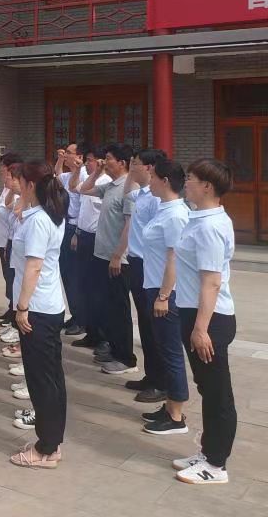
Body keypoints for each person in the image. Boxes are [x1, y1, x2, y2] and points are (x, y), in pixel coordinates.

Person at [172, 158, 236, 485]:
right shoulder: (200, 218)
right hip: (194, 312)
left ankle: (216, 465)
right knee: (207, 387)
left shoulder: (210, 226)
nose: (186, 183)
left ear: (207, 186)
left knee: (217, 392)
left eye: (191, 178)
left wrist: (200, 329)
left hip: (209, 319)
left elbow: (211, 281)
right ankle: (208, 451)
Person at [9, 161, 69, 470]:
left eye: (20, 181)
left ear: (31, 185)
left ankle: (46, 448)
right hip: (49, 306)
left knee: (42, 380)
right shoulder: (49, 215)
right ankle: (51, 442)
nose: (16, 185)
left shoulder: (38, 221)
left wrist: (22, 308)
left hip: (37, 310)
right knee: (51, 377)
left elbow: (33, 266)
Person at [140, 157, 190, 436]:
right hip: (154, 287)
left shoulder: (176, 215)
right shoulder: (164, 209)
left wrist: (164, 295)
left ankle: (176, 416)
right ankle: (170, 405)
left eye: (153, 177)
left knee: (171, 352)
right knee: (163, 349)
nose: (150, 181)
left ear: (165, 181)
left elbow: (175, 258)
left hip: (166, 292)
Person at [80, 143, 139, 375]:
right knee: (106, 306)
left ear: (122, 163)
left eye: (108, 158)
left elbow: (129, 225)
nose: (104, 162)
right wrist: (97, 172)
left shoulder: (128, 188)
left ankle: (126, 358)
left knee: (119, 309)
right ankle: (114, 349)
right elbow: (82, 189)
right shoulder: (110, 186)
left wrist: (117, 255)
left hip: (117, 260)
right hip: (101, 255)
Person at [124, 148, 167, 403]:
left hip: (148, 266)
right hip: (136, 263)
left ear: (149, 168)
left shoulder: (156, 200)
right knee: (144, 323)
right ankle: (151, 376)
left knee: (154, 327)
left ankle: (162, 383)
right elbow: (126, 192)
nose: (132, 167)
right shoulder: (142, 194)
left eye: (136, 164)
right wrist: (131, 172)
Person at [68, 145, 109, 350]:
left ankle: (102, 336)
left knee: (97, 290)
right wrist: (77, 233)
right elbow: (74, 187)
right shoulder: (90, 180)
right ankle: (91, 332)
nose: (87, 163)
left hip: (97, 240)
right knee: (84, 286)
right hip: (83, 236)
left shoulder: (106, 182)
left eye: (91, 160)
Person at [55, 142, 87, 334]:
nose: (65, 155)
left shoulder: (85, 177)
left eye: (69, 153)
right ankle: (74, 314)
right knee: (66, 274)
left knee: (75, 275)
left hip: (75, 227)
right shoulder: (67, 176)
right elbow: (58, 176)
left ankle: (81, 319)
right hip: (65, 224)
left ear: (79, 157)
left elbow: (84, 208)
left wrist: (77, 233)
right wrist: (60, 160)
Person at [0, 151, 24, 325]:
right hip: (4, 239)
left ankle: (15, 314)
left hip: (13, 239)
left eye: (4, 167)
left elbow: (12, 210)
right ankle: (11, 308)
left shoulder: (19, 190)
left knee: (13, 278)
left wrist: (12, 189)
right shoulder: (7, 188)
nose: (2, 171)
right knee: (8, 277)